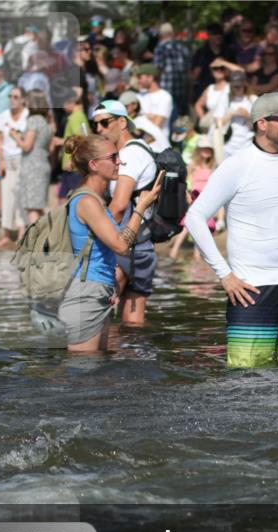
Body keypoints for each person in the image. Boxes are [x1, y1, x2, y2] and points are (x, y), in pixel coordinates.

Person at [184, 92, 278, 368]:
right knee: (246, 383)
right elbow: (195, 217)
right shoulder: (236, 166)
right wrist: (224, 275)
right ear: (262, 123)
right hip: (251, 289)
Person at [57, 134, 163, 352]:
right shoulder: (87, 202)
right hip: (85, 293)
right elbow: (121, 245)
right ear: (94, 165)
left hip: (98, 289)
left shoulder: (97, 200)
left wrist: (111, 279)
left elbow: (101, 247)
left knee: (95, 372)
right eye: (113, 157)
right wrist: (141, 207)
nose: (120, 162)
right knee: (81, 373)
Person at [90, 99, 159, 327]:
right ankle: (135, 359)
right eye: (95, 125)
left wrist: (96, 234)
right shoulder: (136, 150)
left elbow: (119, 206)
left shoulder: (130, 155)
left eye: (104, 123)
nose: (99, 129)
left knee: (99, 317)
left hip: (125, 245)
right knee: (132, 323)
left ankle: (115, 361)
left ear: (122, 122)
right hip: (142, 245)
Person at [169, 139, 218, 261]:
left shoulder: (213, 167)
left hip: (207, 200)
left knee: (203, 227)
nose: (207, 151)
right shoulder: (193, 165)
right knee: (188, 224)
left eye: (209, 149)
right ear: (199, 150)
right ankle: (174, 250)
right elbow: (184, 181)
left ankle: (197, 255)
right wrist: (186, 195)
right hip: (195, 198)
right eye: (204, 148)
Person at [11, 89, 53, 231]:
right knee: (40, 205)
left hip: (32, 166)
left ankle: (36, 241)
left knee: (32, 207)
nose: (24, 102)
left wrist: (15, 136)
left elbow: (27, 146)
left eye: (27, 100)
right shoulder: (47, 122)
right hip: (43, 164)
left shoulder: (33, 120)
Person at [0, 86, 29, 248]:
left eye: (15, 97)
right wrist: (0, 161)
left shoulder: (28, 115)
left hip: (22, 159)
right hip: (7, 160)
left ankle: (22, 232)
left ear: (23, 99)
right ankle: (6, 233)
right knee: (7, 196)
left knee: (21, 196)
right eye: (10, 96)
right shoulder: (4, 115)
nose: (12, 99)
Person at [152, 23, 190, 125]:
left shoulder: (159, 48)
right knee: (180, 122)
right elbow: (188, 71)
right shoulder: (182, 48)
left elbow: (157, 70)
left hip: (165, 91)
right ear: (172, 33)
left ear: (161, 35)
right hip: (181, 90)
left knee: (167, 121)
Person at [223, 70, 257, 159]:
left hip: (248, 144)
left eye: (240, 86)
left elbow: (261, 123)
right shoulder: (225, 99)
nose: (237, 88)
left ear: (244, 84)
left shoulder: (253, 99)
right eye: (235, 86)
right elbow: (218, 123)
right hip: (228, 145)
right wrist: (232, 114)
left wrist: (247, 116)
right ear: (231, 86)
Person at [135, 64, 174, 140]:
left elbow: (157, 124)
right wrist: (150, 117)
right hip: (140, 141)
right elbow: (132, 119)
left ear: (150, 77)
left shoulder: (165, 96)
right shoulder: (138, 96)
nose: (138, 81)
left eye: (140, 77)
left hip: (159, 145)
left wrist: (143, 117)